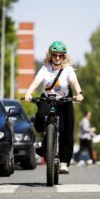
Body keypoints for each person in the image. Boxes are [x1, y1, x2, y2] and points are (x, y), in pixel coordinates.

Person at [24, 41, 83, 174]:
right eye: (55, 55)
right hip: (48, 99)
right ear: (51, 56)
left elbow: (74, 82)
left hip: (64, 100)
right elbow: (36, 81)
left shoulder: (67, 70)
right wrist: (28, 93)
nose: (57, 58)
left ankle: (63, 162)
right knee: (39, 116)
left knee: (67, 131)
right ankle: (40, 139)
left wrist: (79, 93)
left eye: (60, 55)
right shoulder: (45, 68)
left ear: (64, 57)